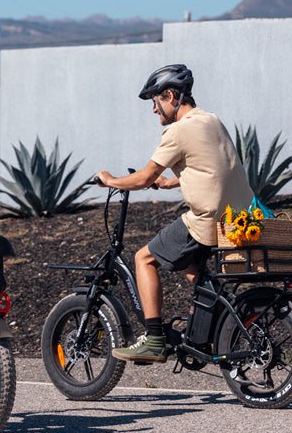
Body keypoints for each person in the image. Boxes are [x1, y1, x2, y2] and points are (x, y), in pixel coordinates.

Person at [94, 64, 253, 364]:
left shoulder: (177, 131)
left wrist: (111, 180)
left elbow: (142, 178)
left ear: (170, 95)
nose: (154, 110)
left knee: (145, 257)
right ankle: (215, 311)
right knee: (180, 258)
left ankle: (153, 340)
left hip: (206, 221)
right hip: (235, 221)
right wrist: (169, 182)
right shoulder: (211, 120)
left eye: (155, 101)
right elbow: (212, 167)